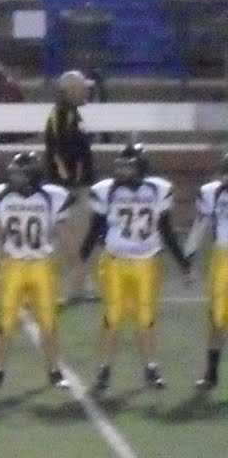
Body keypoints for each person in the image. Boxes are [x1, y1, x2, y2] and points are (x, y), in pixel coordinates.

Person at [81, 143, 193, 394]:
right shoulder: (106, 191)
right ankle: (103, 370)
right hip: (114, 262)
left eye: (128, 167)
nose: (122, 171)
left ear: (141, 168)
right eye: (120, 166)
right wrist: (81, 262)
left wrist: (184, 264)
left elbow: (166, 229)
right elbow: (94, 230)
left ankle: (150, 367)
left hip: (147, 262)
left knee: (146, 319)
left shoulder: (158, 190)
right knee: (112, 318)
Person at [0, 151, 72, 391]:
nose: (14, 177)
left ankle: (55, 370)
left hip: (42, 264)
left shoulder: (52, 197)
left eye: (20, 173)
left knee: (48, 323)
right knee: (5, 323)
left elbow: (63, 232)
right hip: (13, 265)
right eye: (13, 173)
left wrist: (75, 262)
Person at [45, 70, 97, 301]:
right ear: (71, 90)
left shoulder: (71, 114)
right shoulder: (62, 115)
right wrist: (69, 184)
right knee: (70, 240)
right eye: (82, 87)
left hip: (74, 185)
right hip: (69, 187)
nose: (86, 90)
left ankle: (78, 285)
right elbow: (59, 152)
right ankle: (64, 287)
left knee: (75, 240)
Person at [185, 150, 228, 391]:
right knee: (217, 319)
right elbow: (200, 226)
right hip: (223, 258)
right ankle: (211, 374)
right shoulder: (213, 193)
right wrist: (189, 258)